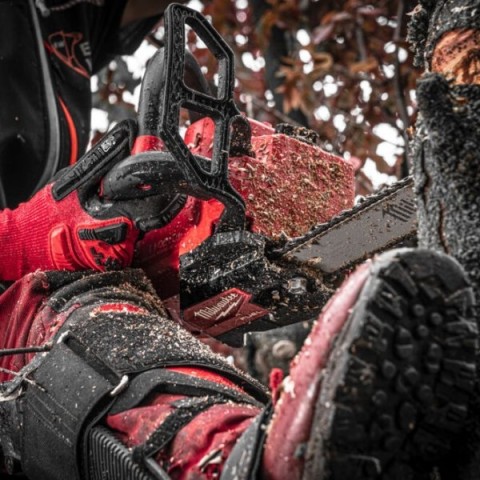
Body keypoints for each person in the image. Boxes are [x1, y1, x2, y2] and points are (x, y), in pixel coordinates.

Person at [0, 1, 479, 480]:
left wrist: (175, 209)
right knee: (69, 311)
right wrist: (28, 239)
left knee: (116, 298)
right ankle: (230, 460)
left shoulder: (68, 16)